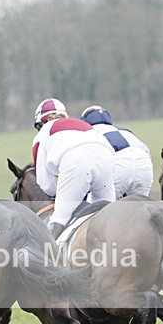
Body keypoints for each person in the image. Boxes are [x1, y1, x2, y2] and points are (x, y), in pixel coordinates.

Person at [32, 98, 115, 239]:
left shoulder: (43, 133)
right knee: (109, 215)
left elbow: (45, 183)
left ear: (40, 122)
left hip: (76, 161)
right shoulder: (82, 124)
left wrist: (56, 195)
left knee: (59, 218)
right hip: (107, 157)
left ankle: (49, 252)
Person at [80, 105, 153, 198]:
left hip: (119, 162)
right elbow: (146, 152)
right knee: (140, 204)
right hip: (144, 162)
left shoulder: (88, 134)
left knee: (97, 204)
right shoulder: (125, 131)